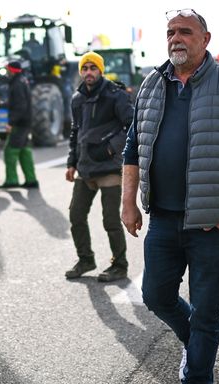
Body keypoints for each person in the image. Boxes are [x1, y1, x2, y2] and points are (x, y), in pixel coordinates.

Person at [121, 9, 219, 384]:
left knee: (206, 312)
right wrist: (128, 203)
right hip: (163, 220)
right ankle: (196, 344)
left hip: (211, 225)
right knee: (155, 295)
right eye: (170, 32)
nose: (176, 38)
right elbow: (133, 149)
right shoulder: (151, 83)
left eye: (185, 31)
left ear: (206, 39)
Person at [64, 51, 133, 282]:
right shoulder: (77, 98)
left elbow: (132, 126)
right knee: (76, 216)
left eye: (93, 68)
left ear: (100, 70)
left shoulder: (116, 95)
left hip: (109, 168)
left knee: (110, 220)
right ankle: (85, 260)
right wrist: (71, 163)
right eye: (85, 68)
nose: (89, 73)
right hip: (85, 168)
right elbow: (76, 132)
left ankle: (119, 265)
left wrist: (112, 148)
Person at [0, 61, 38, 189]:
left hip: (20, 123)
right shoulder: (21, 81)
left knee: (10, 151)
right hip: (25, 121)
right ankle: (31, 180)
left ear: (12, 70)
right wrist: (0, 105)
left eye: (7, 70)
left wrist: (11, 123)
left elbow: (20, 106)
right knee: (24, 151)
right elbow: (15, 102)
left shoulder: (17, 84)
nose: (6, 72)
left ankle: (12, 180)